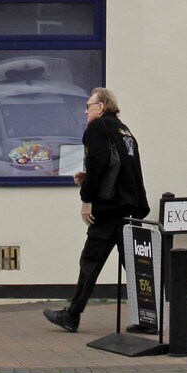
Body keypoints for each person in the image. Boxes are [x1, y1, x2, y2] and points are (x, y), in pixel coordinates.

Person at [43, 86, 148, 332]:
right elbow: (116, 166)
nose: (85, 112)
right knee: (134, 265)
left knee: (90, 261)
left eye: (89, 106)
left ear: (101, 107)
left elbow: (99, 162)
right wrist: (89, 176)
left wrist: (87, 198)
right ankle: (148, 318)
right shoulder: (124, 130)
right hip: (130, 207)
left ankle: (71, 315)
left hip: (110, 208)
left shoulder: (97, 128)